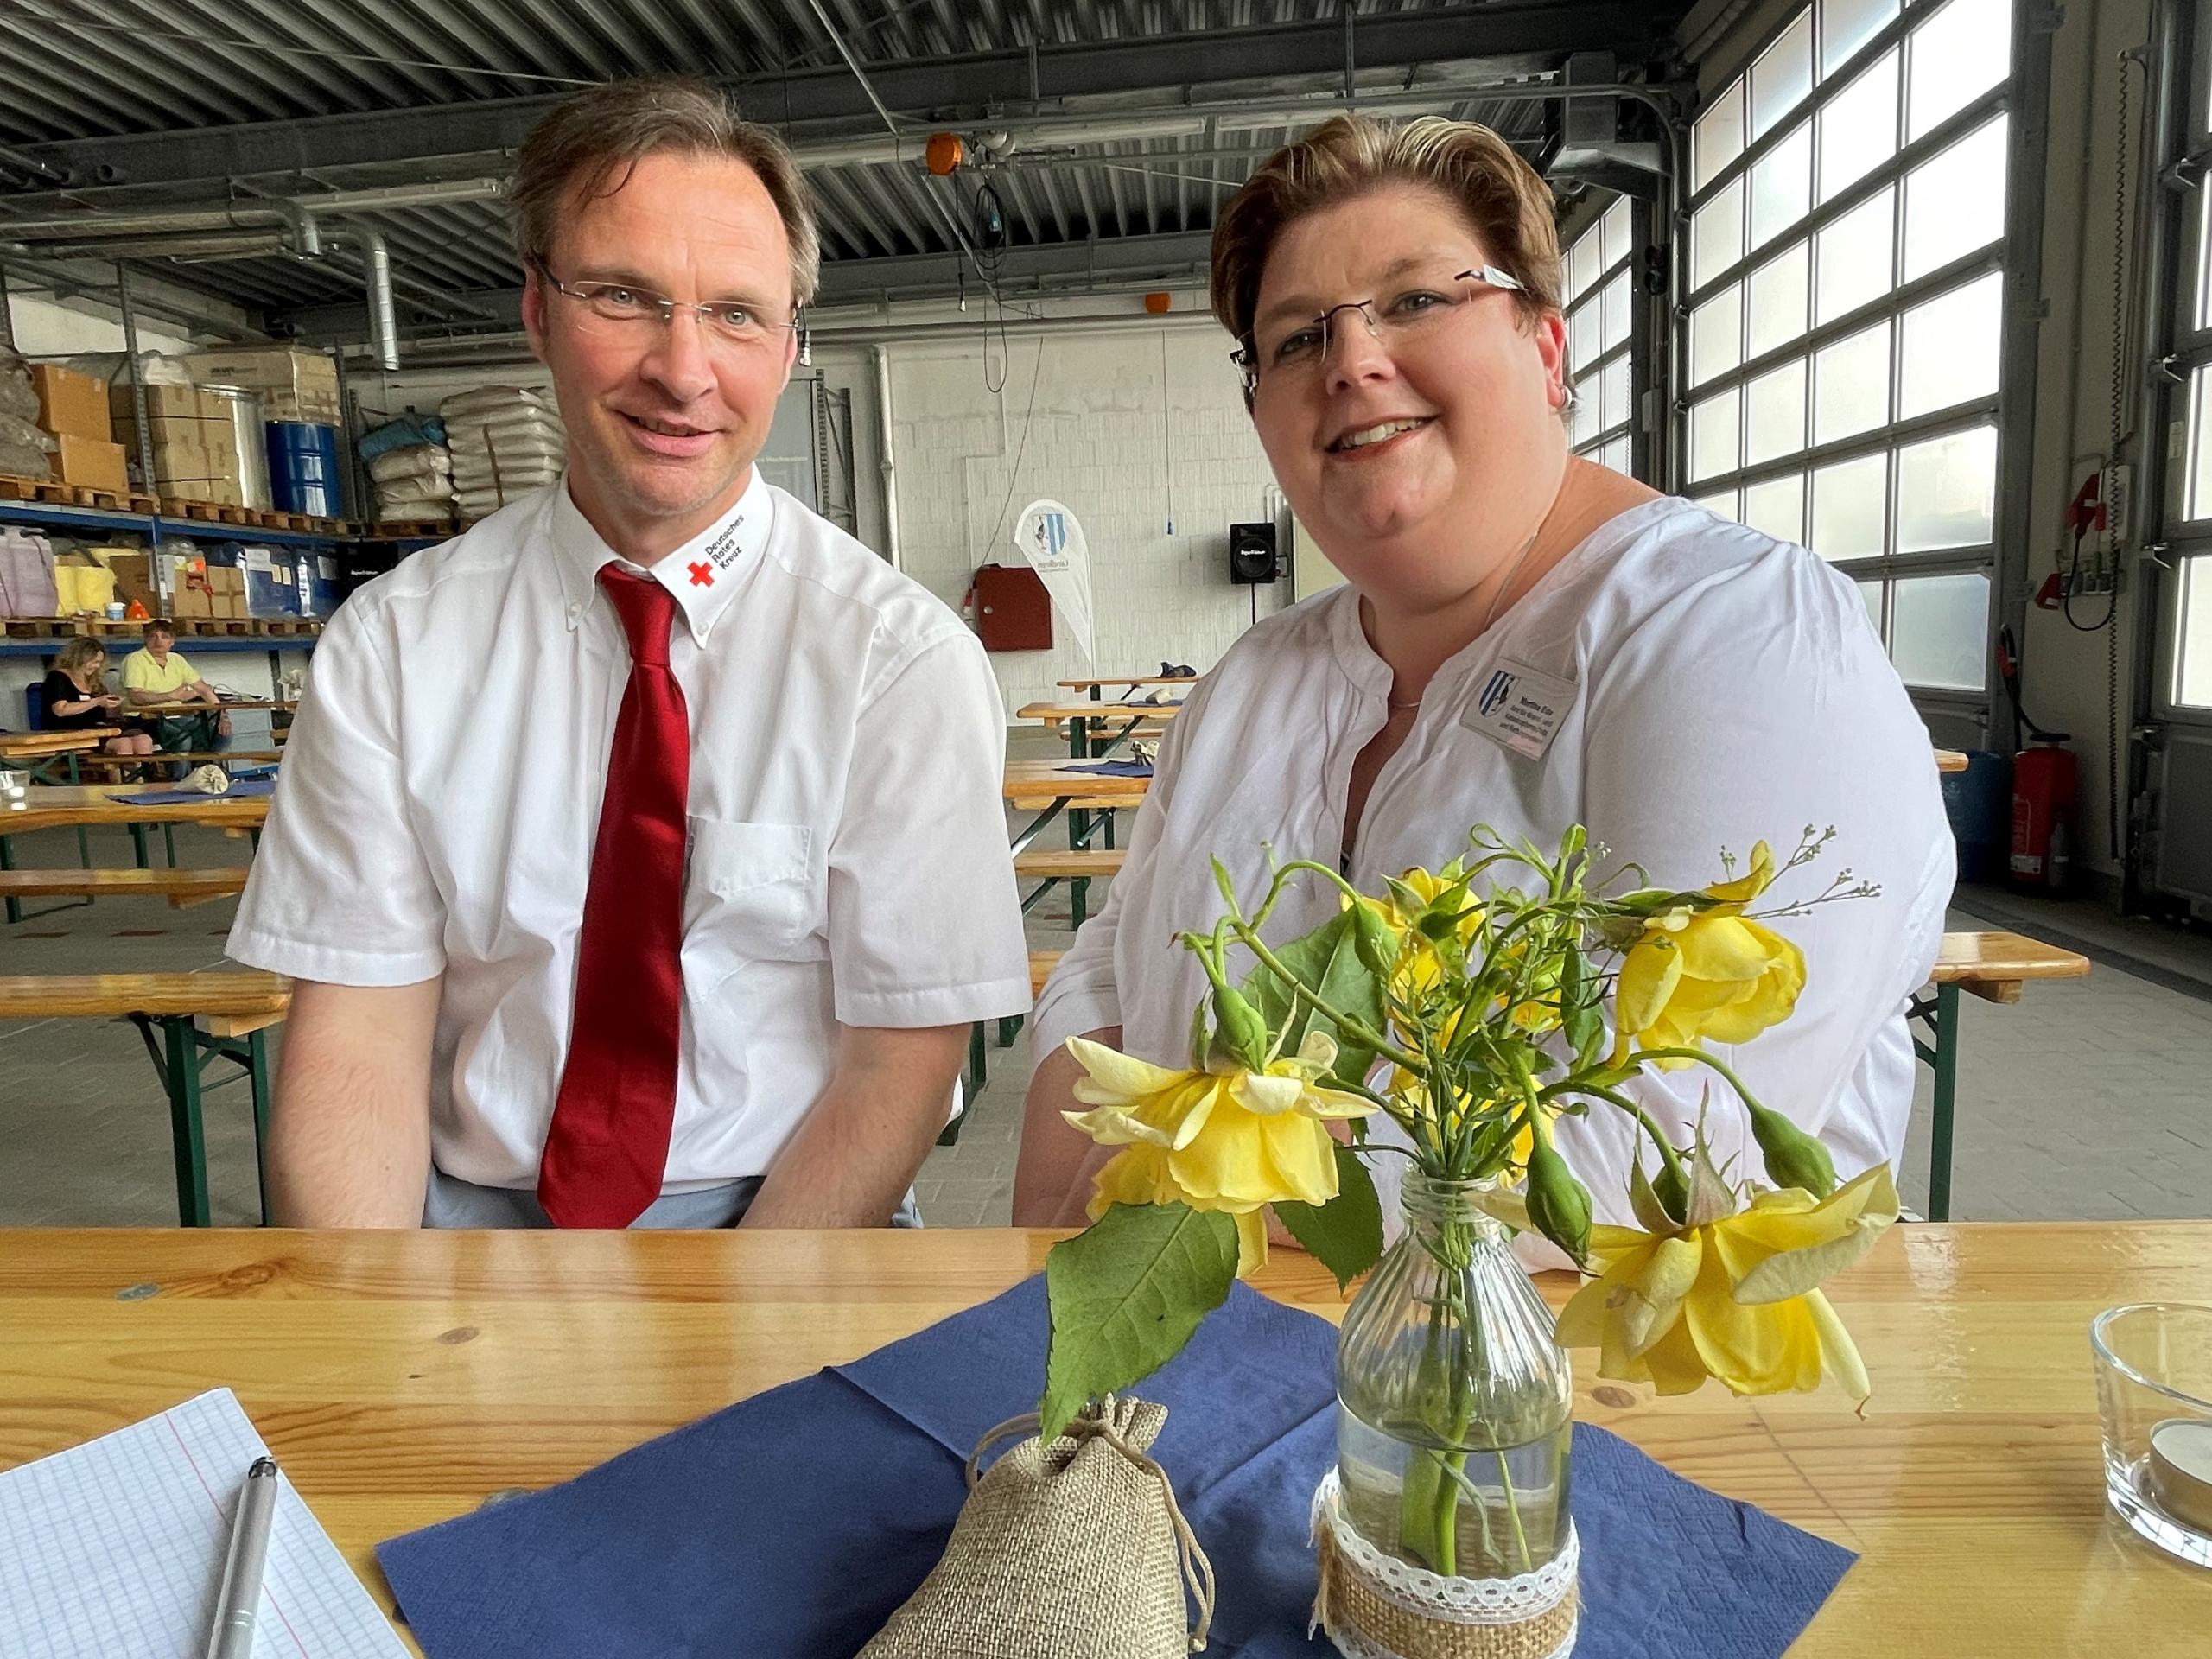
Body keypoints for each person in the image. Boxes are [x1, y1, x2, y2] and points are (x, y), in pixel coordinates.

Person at [1013, 115, 1953, 1233]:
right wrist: (1057, 1253)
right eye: (1297, 339)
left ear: (1546, 349)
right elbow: (1112, 975)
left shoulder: (1735, 638)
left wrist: (1161, 1189)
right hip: (1185, 1340)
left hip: (1584, 1349)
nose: (1351, 360)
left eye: (1414, 300)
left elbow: (1664, 1148)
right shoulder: (1253, 683)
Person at [227, 76, 1031, 1230]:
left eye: (736, 314)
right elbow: (356, 1041)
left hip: (794, 1214)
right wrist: (378, 1314)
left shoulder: (895, 660)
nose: (683, 370)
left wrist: (740, 1321)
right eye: (624, 296)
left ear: (790, 348)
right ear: (538, 310)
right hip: (469, 1217)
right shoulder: (395, 645)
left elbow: (898, 1064)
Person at [120, 620, 231, 772]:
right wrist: (171, 696)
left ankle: (206, 773)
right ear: (145, 639)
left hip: (177, 717)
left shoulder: (177, 660)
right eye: (153, 636)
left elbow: (204, 689)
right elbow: (136, 697)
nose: (159, 641)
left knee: (220, 733)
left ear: (172, 641)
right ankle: (180, 781)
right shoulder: (135, 659)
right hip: (145, 719)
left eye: (164, 637)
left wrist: (222, 716)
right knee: (182, 739)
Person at [39, 638, 156, 760]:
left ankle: (143, 772)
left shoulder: (94, 681)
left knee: (144, 740)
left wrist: (115, 704)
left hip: (98, 730)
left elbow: (104, 712)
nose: (97, 666)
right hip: (69, 733)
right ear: (79, 659)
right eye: (93, 662)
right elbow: (61, 710)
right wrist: (97, 701)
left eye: (99, 662)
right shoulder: (57, 677)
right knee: (123, 744)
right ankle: (122, 772)